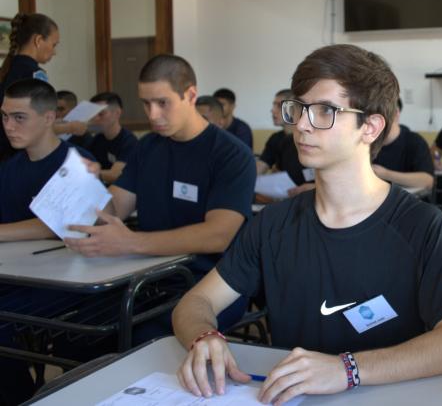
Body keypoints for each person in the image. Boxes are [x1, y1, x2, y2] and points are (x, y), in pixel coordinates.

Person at [172, 44, 442, 404]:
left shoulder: (420, 224)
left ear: (370, 127)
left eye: (325, 111)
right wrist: (204, 337)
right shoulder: (274, 223)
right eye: (299, 108)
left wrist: (345, 369)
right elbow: (194, 303)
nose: (302, 124)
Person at [64, 54, 256, 334]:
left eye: (162, 103)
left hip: (210, 284)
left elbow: (218, 235)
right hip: (146, 279)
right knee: (76, 332)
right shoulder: (148, 147)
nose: (152, 115)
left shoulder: (231, 154)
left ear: (190, 95)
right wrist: (83, 184)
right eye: (146, 103)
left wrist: (131, 243)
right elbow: (114, 209)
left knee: (141, 339)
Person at [0, 79, 95, 404]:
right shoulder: (9, 169)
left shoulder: (76, 161)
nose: (8, 126)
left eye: (19, 117)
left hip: (65, 282)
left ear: (49, 118)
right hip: (17, 274)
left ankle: (21, 397)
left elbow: (55, 225)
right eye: (4, 117)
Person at [0, 13, 59, 163]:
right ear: (38, 40)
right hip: (16, 156)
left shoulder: (7, 69)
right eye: (53, 45)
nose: (54, 52)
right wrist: (70, 127)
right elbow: (38, 122)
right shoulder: (34, 74)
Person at [256, 88, 315, 198]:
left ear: (294, 109)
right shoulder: (277, 139)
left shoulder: (313, 138)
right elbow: (260, 168)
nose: (273, 110)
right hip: (285, 199)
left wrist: (315, 188)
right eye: (274, 105)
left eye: (279, 106)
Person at [372, 98, 434, 191]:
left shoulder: (415, 142)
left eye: (381, 113)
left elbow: (427, 181)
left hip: (408, 201)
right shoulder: (367, 143)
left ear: (396, 113)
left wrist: (385, 174)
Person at [87, 91, 139, 184]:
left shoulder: (129, 141)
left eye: (101, 114)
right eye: (93, 114)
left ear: (117, 113)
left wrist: (90, 172)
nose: (95, 118)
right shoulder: (98, 138)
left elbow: (115, 174)